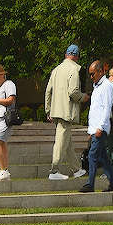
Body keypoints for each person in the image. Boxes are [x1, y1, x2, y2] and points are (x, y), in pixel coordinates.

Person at [45, 44, 87, 181]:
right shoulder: (75, 69)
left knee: (66, 141)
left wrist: (48, 110)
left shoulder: (56, 70)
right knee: (60, 141)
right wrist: (83, 97)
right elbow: (73, 92)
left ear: (66, 55)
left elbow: (48, 91)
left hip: (56, 110)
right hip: (66, 111)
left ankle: (76, 169)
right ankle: (54, 170)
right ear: (77, 56)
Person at [81, 61, 113, 192]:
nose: (91, 77)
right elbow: (95, 110)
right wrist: (91, 130)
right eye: (90, 74)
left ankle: (90, 184)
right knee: (103, 158)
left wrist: (100, 127)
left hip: (100, 129)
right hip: (95, 129)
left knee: (92, 155)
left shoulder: (106, 86)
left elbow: (107, 108)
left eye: (93, 74)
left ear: (101, 71)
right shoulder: (96, 86)